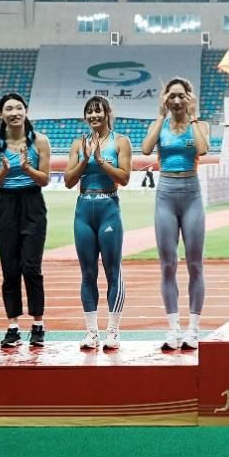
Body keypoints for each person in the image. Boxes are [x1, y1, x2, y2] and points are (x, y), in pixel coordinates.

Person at [141, 77, 210, 351]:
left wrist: (192, 117)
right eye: (172, 96)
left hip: (191, 194)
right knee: (168, 263)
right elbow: (146, 149)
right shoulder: (159, 125)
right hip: (166, 195)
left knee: (195, 263)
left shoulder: (199, 124)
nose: (177, 101)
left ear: (189, 98)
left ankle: (193, 329)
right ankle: (173, 328)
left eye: (182, 96)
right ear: (165, 99)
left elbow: (203, 149)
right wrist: (160, 116)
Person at [64, 96, 132, 351]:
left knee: (113, 271)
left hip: (108, 208)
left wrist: (100, 160)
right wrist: (85, 159)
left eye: (98, 111)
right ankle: (91, 332)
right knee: (88, 273)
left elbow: (124, 178)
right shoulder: (78, 143)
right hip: (83, 209)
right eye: (89, 112)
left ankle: (113, 331)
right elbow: (68, 181)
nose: (94, 116)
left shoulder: (121, 142)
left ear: (107, 113)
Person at [0, 93, 52, 348]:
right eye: (9, 109)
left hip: (33, 203)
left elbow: (44, 179)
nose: (14, 112)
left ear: (26, 111)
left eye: (19, 108)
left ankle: (38, 324)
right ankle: (13, 326)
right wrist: (5, 170)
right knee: (10, 268)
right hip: (6, 204)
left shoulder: (40, 141)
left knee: (31, 267)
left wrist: (27, 169)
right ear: (1, 114)